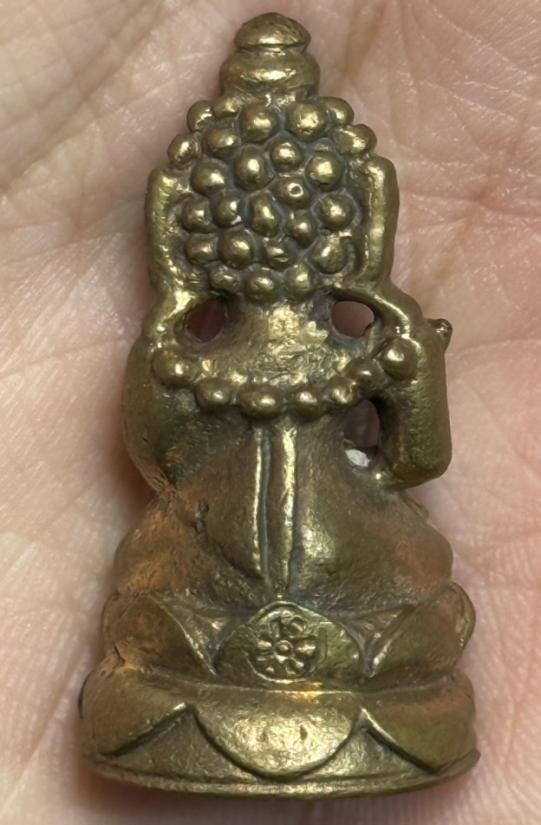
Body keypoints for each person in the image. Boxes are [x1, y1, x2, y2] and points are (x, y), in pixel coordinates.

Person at [0, 0, 539, 822]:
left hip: (355, 596)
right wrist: (169, 324)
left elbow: (411, 462)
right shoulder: (185, 357)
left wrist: (410, 360)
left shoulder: (350, 352)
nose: (275, 237)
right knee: (158, 617)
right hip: (198, 600)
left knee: (411, 614)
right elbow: (164, 464)